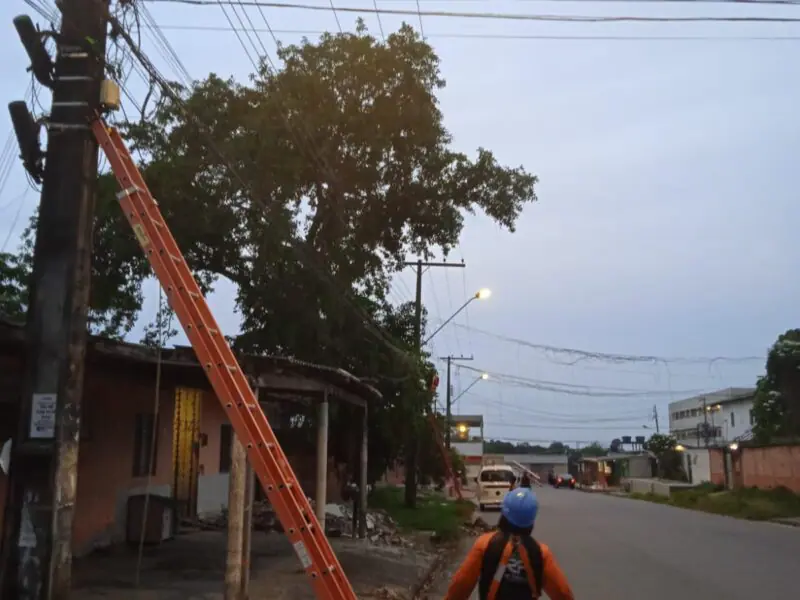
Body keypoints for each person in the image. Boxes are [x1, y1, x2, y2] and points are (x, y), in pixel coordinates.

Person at [444, 488, 574, 600]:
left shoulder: (485, 544)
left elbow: (460, 586)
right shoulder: (541, 553)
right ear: (531, 521)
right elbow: (563, 593)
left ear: (504, 514)